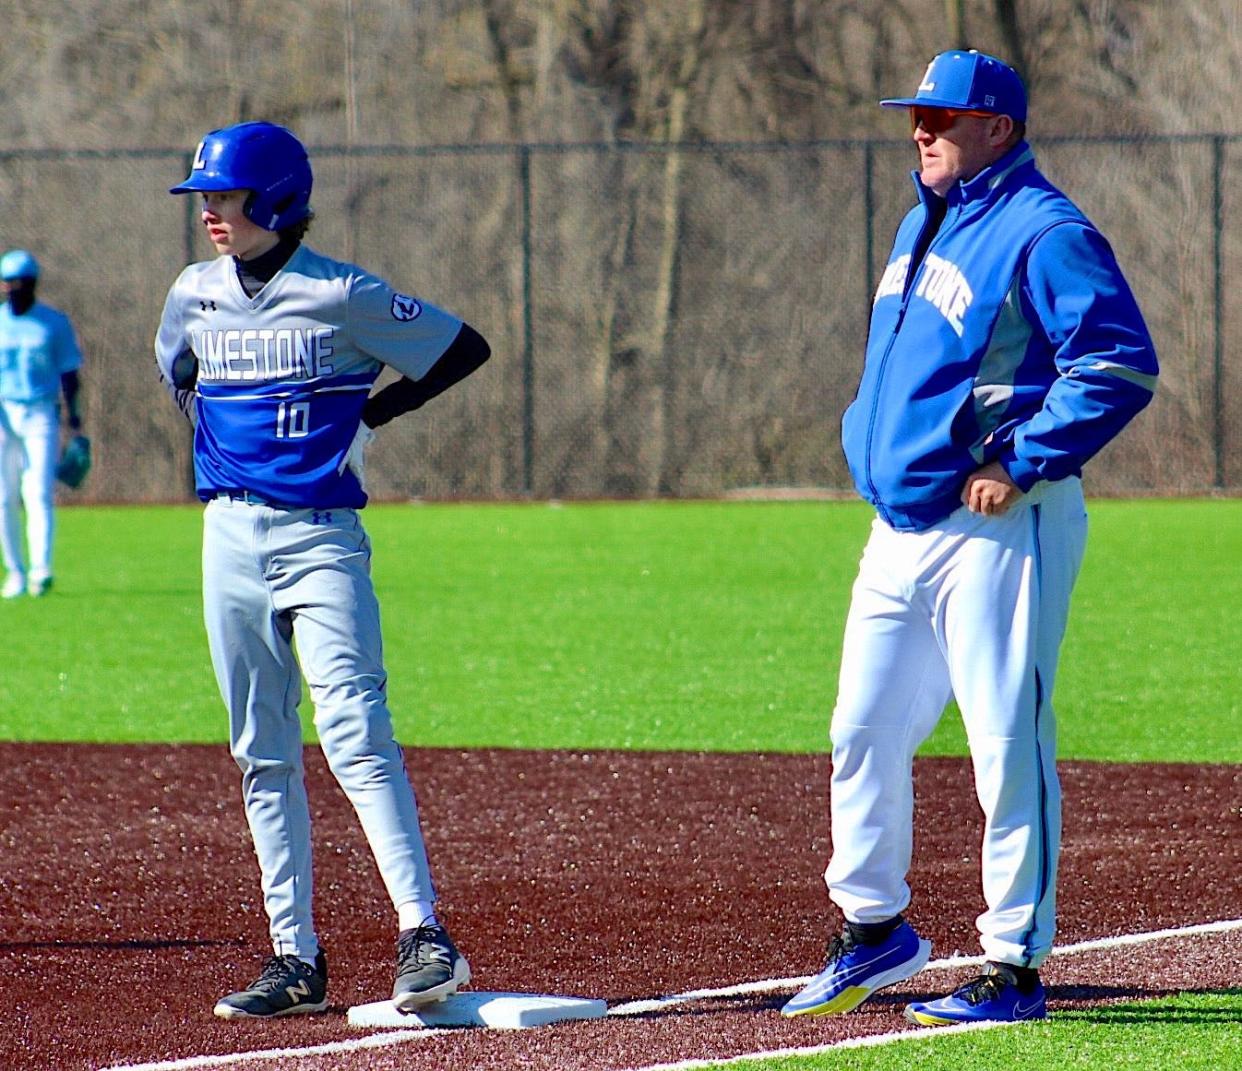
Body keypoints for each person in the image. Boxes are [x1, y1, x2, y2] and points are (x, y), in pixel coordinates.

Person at [782, 50, 1158, 1026]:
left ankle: (1013, 965)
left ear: (998, 127)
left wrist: (1023, 459)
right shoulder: (922, 222)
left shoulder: (1045, 231)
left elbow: (1117, 364)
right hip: (899, 525)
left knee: (1005, 742)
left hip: (1001, 526)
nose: (922, 131)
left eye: (943, 118)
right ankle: (874, 931)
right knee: (861, 731)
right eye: (918, 115)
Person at [155, 121, 490, 1019]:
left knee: (355, 732)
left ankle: (425, 934)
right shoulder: (194, 293)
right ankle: (293, 956)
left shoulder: (342, 293)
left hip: (320, 539)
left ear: (275, 201)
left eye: (225, 197)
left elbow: (462, 348)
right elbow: (178, 369)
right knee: (260, 751)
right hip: (225, 537)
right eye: (206, 199)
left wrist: (372, 415)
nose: (212, 213)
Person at [0, 250, 85, 598]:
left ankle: (41, 570)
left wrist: (75, 419)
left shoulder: (53, 322)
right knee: (4, 496)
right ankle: (15, 572)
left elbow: (69, 374)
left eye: (18, 282)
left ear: (32, 284)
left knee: (37, 492)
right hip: (3, 413)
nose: (11, 289)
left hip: (39, 411)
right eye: (6, 282)